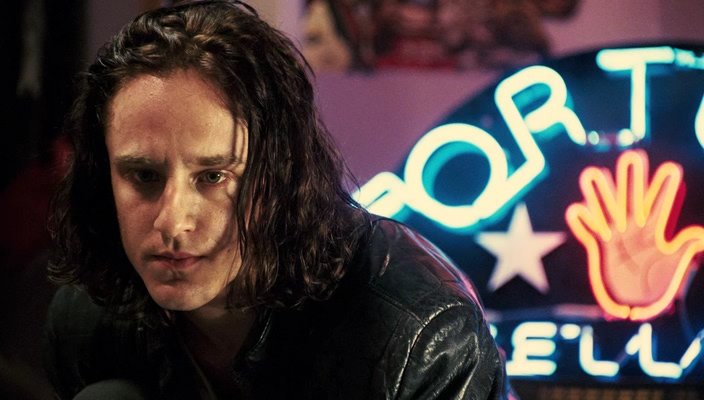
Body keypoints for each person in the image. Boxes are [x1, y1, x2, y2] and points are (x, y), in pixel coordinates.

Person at [43, 1, 514, 399]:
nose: (172, 221)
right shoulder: (88, 320)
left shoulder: (419, 334)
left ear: (280, 173)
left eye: (213, 176)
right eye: (143, 176)